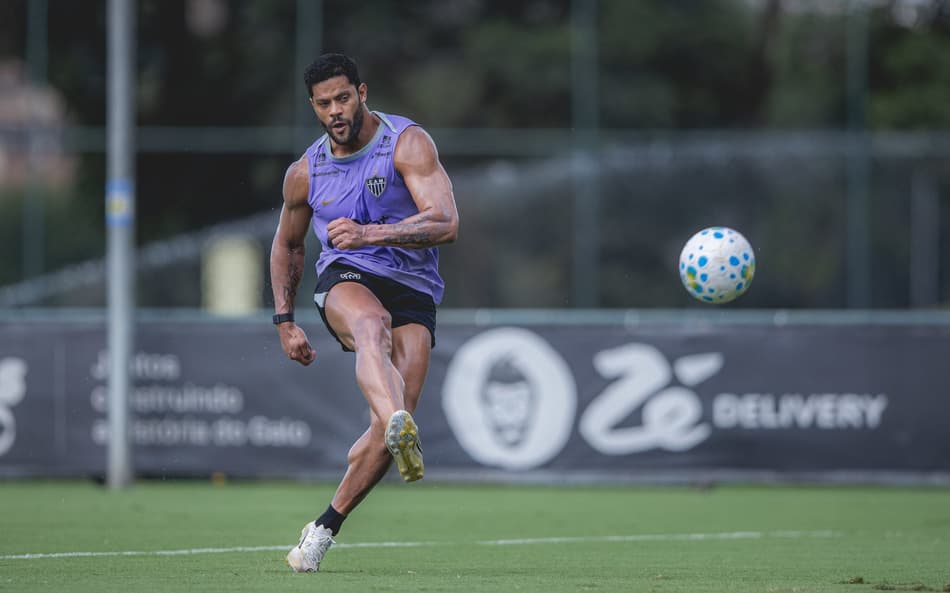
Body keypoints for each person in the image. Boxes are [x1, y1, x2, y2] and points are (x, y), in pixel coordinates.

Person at [269, 53, 459, 573]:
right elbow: (287, 245)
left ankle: (324, 526)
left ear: (363, 92)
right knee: (371, 328)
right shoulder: (305, 173)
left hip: (414, 286)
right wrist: (285, 321)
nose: (335, 110)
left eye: (343, 97)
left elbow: (445, 221)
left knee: (383, 439)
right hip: (348, 279)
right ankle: (395, 416)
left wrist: (371, 231)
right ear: (313, 106)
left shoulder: (407, 143)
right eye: (324, 102)